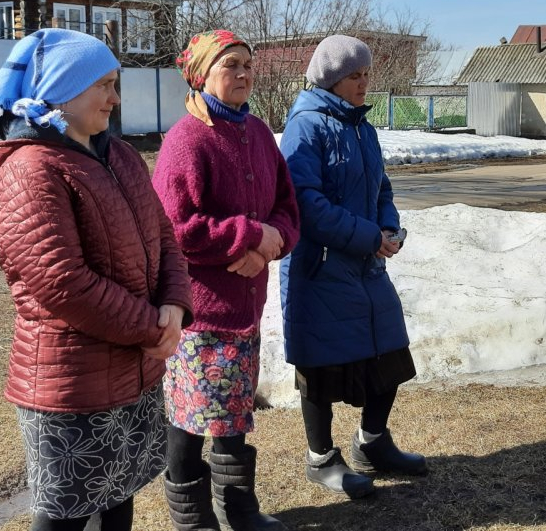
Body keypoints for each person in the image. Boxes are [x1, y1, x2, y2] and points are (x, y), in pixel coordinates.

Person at [0, 27, 192, 531]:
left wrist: (175, 305)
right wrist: (152, 328)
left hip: (132, 371)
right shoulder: (30, 170)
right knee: (66, 520)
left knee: (118, 502)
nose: (115, 98)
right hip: (71, 385)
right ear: (60, 88)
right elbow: (61, 283)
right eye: (103, 84)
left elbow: (163, 234)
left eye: (115, 82)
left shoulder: (116, 154)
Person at [152, 30, 301, 531]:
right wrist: (247, 235)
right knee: (190, 422)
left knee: (235, 413)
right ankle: (192, 520)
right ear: (201, 75)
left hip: (245, 308)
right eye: (229, 64)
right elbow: (172, 228)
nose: (242, 74)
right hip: (199, 314)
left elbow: (287, 206)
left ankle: (239, 510)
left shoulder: (258, 132)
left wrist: (270, 242)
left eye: (247, 65)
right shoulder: (185, 140)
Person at [279, 34, 428, 500]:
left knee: (389, 352)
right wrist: (369, 239)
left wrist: (389, 226)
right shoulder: (306, 127)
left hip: (365, 266)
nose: (365, 84)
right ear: (331, 79)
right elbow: (305, 203)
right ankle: (320, 458)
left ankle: (372, 443)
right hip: (320, 269)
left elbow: (381, 187)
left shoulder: (363, 127)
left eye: (367, 75)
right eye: (355, 76)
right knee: (321, 365)